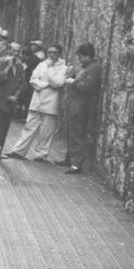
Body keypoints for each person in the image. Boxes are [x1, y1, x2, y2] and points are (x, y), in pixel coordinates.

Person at [5, 43, 68, 161]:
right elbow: (33, 80)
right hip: (37, 100)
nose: (52, 55)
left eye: (55, 52)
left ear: (59, 54)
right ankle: (18, 151)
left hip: (51, 103)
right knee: (29, 127)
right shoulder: (41, 64)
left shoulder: (63, 68)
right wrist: (45, 84)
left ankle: (41, 154)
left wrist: (49, 72)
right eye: (50, 52)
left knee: (47, 131)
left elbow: (58, 83)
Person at [56, 42, 102, 174]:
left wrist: (74, 82)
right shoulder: (85, 67)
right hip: (75, 105)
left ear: (88, 56)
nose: (79, 59)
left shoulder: (94, 68)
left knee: (77, 133)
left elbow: (88, 86)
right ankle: (70, 158)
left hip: (82, 107)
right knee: (71, 132)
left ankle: (76, 163)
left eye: (81, 56)